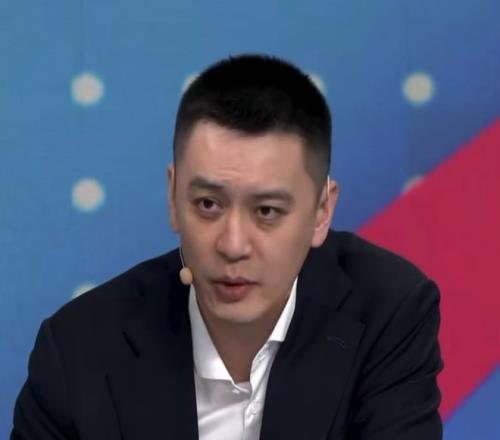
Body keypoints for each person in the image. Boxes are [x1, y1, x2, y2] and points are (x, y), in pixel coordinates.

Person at [11, 54, 443, 439]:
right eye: (208, 205)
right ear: (173, 198)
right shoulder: (78, 349)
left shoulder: (387, 310)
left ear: (321, 212)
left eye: (267, 211)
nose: (233, 245)